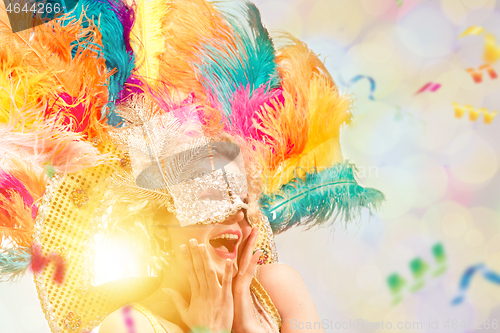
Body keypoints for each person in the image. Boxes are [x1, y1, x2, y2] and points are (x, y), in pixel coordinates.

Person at [0, 0, 384, 332]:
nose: (235, 220)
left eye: (242, 206)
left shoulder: (279, 289)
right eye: (209, 203)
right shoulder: (131, 324)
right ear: (160, 230)